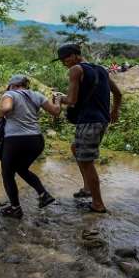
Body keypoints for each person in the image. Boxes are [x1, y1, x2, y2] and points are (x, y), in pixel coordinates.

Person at [54, 44, 122, 213]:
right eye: (62, 60)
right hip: (101, 120)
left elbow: (71, 100)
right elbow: (118, 93)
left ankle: (97, 204)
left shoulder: (76, 70)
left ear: (76, 55)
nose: (64, 63)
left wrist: (58, 98)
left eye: (65, 58)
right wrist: (114, 111)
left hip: (89, 121)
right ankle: (87, 189)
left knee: (86, 162)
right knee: (75, 148)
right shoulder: (101, 70)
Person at [0, 75, 62, 219]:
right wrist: (58, 100)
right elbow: (56, 111)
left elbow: (6, 108)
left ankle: (15, 209)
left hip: (15, 140)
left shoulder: (10, 94)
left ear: (12, 85)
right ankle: (43, 194)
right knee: (21, 169)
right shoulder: (37, 95)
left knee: (7, 174)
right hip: (36, 140)